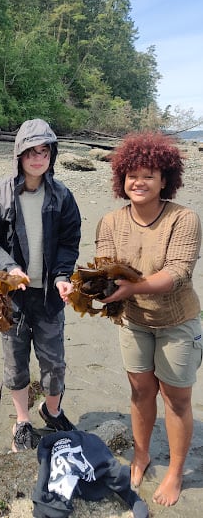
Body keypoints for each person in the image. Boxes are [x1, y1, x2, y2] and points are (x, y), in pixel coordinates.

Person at [95, 131, 202, 507]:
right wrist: (79, 288)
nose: (138, 182)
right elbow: (104, 270)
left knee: (176, 399)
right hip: (134, 321)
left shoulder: (184, 219)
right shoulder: (110, 222)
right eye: (132, 175)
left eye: (149, 175)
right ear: (121, 178)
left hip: (177, 321)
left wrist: (130, 288)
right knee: (141, 391)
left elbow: (178, 273)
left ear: (165, 180)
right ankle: (141, 455)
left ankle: (175, 471)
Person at [0, 118, 81, 452]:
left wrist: (63, 277)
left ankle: (52, 411)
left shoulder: (62, 196)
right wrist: (9, 268)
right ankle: (22, 421)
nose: (38, 158)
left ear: (52, 155)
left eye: (44, 151)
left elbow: (69, 241)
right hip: (12, 298)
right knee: (15, 363)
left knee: (54, 362)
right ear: (18, 154)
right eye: (31, 152)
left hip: (49, 297)